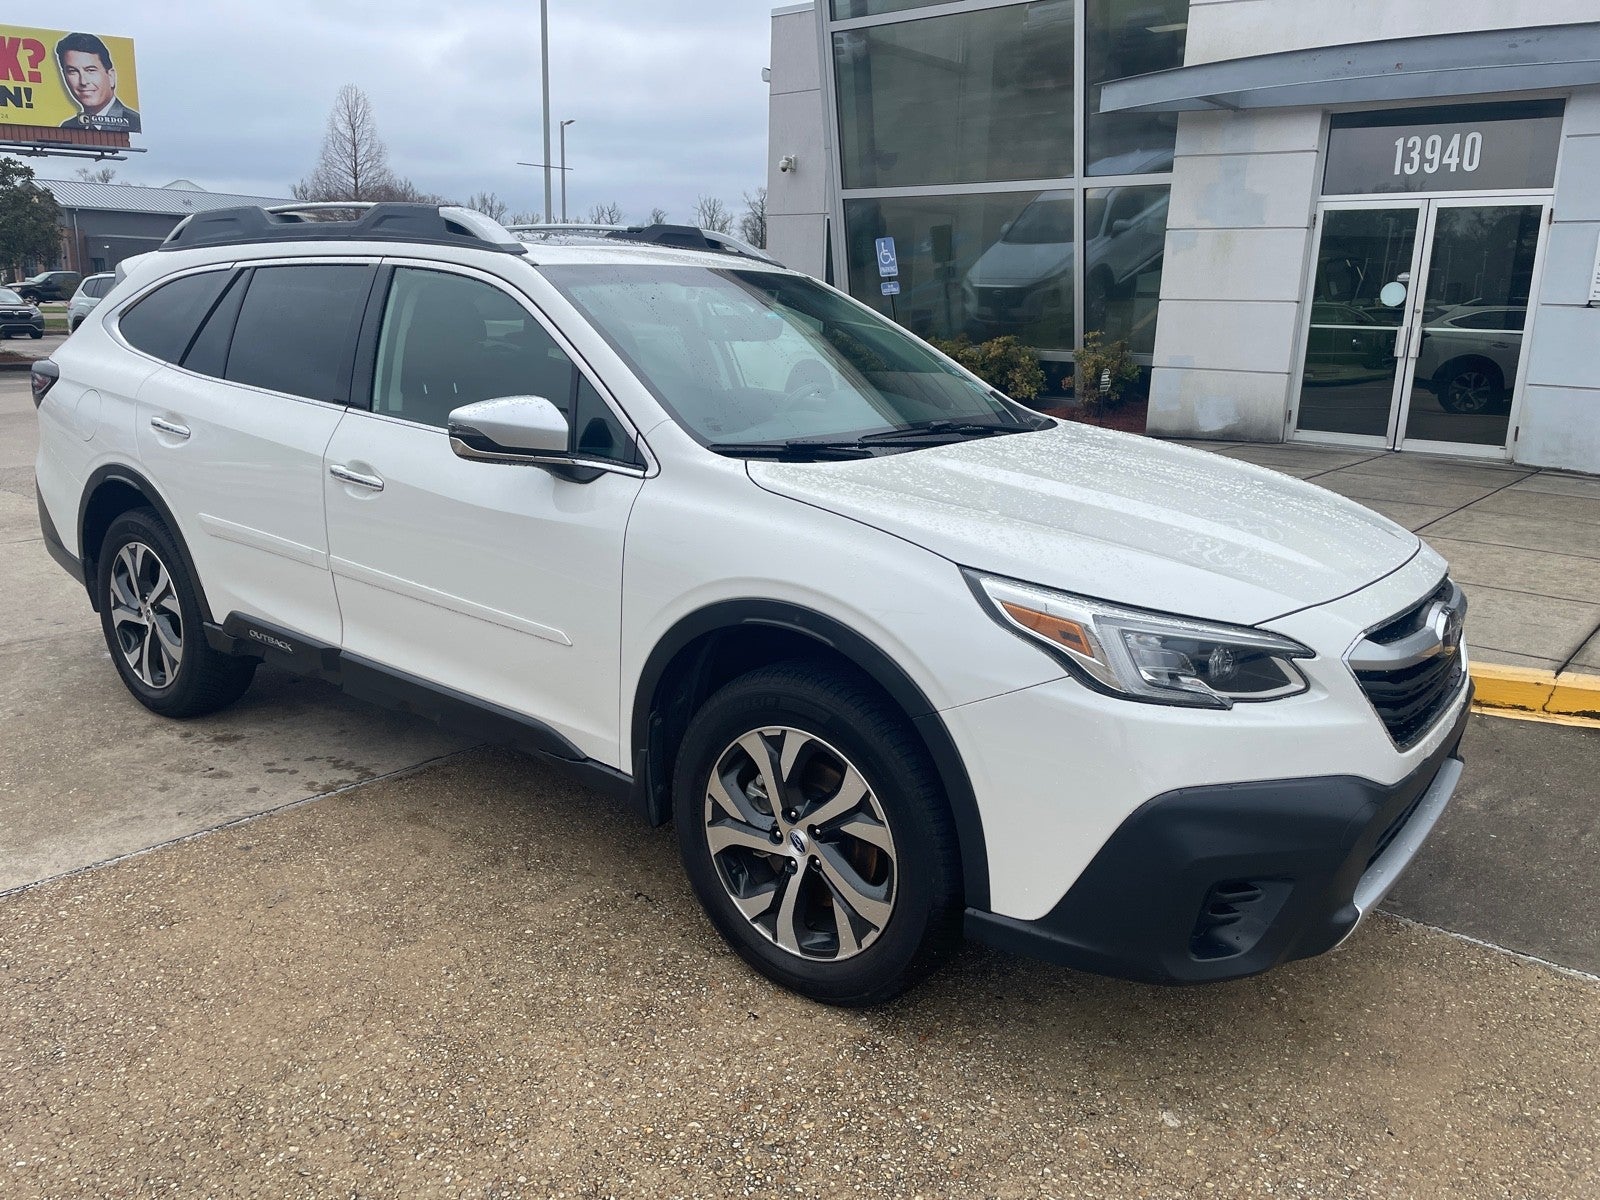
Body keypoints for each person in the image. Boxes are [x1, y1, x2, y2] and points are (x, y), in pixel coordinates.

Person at [54, 33, 141, 134]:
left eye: (90, 70)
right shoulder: (68, 127)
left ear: (111, 76)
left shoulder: (135, 124)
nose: (83, 81)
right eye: (72, 71)